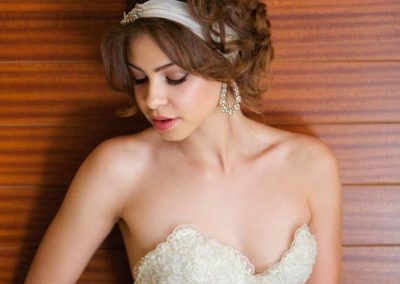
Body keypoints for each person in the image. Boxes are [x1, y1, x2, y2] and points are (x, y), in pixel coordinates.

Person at [25, 0, 342, 283]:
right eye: (139, 78)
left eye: (174, 78)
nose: (152, 99)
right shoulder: (119, 169)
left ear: (225, 67)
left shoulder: (311, 165)